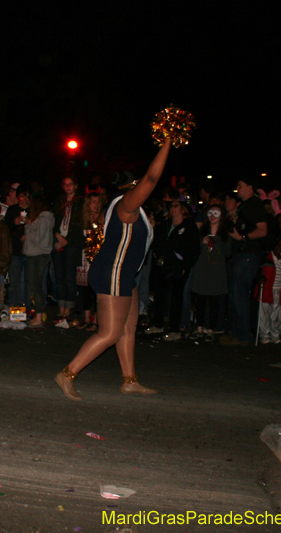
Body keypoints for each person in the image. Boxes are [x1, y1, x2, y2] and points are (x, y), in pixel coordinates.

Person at [54, 139, 171, 400]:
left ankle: (130, 380)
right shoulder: (126, 204)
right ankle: (67, 374)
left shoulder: (123, 207)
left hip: (124, 273)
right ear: (134, 186)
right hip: (113, 273)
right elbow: (152, 178)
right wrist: (168, 142)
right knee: (109, 333)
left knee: (128, 329)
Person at [222, 178, 269, 346]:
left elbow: (262, 230)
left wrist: (243, 237)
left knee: (240, 295)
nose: (237, 188)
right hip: (239, 254)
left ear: (250, 187)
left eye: (240, 186)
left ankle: (242, 335)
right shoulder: (245, 206)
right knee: (235, 294)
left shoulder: (254, 204)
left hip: (247, 254)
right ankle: (236, 332)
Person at [151, 199, 199, 341]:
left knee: (176, 297)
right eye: (171, 206)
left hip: (178, 266)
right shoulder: (166, 224)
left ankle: (174, 329)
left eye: (176, 206)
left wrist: (185, 265)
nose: (173, 209)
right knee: (160, 295)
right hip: (163, 264)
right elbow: (157, 240)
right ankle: (158, 324)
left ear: (183, 209)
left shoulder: (189, 226)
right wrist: (157, 252)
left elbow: (194, 248)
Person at [190, 205, 231, 341]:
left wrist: (218, 242)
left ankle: (211, 329)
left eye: (216, 213)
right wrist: (202, 243)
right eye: (210, 213)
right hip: (202, 269)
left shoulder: (225, 234)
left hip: (216, 271)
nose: (212, 216)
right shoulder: (202, 231)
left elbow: (228, 252)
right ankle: (199, 327)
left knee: (214, 301)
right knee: (201, 300)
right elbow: (194, 249)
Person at [51, 176, 85, 322]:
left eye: (70, 184)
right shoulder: (59, 200)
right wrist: (57, 235)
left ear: (75, 185)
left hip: (71, 243)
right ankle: (61, 308)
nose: (68, 187)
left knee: (70, 277)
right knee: (59, 276)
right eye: (65, 184)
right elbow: (53, 220)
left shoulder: (81, 202)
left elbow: (80, 224)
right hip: (59, 240)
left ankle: (69, 309)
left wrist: (67, 241)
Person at [23, 196, 55, 328]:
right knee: (35, 286)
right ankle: (38, 316)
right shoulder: (42, 219)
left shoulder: (43, 219)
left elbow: (37, 238)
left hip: (38, 255)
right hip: (36, 254)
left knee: (36, 286)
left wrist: (28, 225)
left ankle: (39, 317)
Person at [75, 192, 104, 331]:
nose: (96, 205)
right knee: (85, 290)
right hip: (84, 258)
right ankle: (86, 320)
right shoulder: (83, 220)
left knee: (96, 291)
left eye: (98, 202)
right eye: (93, 201)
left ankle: (96, 321)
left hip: (98, 259)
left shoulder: (103, 219)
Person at [256, 239, 281, 344]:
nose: (279, 248)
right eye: (277, 245)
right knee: (264, 313)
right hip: (267, 289)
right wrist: (260, 278)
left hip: (279, 290)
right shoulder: (266, 258)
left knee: (276, 314)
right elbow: (258, 271)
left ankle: (275, 335)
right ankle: (264, 335)